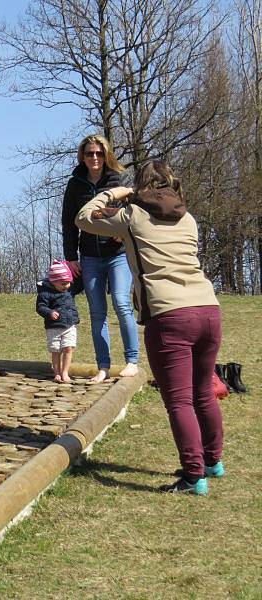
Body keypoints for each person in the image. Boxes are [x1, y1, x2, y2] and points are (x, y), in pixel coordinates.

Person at [76, 160, 223, 495]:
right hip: (209, 308)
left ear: (140, 186)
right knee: (203, 393)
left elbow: (83, 217)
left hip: (169, 315)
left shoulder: (131, 216)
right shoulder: (188, 218)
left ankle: (193, 476)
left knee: (180, 401)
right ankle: (213, 461)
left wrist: (116, 192)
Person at [62, 134, 140, 383]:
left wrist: (123, 234)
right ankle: (103, 366)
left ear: (106, 155)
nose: (94, 158)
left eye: (98, 153)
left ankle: (132, 361)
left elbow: (135, 211)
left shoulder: (119, 179)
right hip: (89, 256)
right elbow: (69, 222)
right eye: (89, 154)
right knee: (97, 312)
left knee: (121, 302)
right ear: (82, 157)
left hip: (117, 254)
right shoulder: (75, 184)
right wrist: (70, 257)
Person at [36, 260, 79, 383]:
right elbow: (40, 307)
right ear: (53, 282)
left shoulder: (69, 291)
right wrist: (49, 312)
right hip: (53, 327)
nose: (67, 286)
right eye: (63, 283)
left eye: (69, 283)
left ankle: (65, 372)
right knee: (56, 351)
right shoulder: (45, 293)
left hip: (69, 325)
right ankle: (57, 373)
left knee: (68, 348)